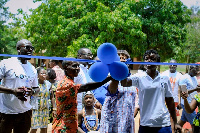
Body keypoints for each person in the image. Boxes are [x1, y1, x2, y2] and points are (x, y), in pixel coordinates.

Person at [120, 49, 181, 133]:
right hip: (146, 124)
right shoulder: (139, 77)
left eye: (152, 58)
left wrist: (175, 122)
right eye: (146, 58)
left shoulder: (164, 78)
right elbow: (124, 83)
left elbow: (170, 101)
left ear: (158, 62)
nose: (149, 60)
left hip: (163, 124)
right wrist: (123, 67)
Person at [52, 60, 112, 133]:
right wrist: (108, 78)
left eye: (78, 66)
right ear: (66, 67)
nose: (77, 68)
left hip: (69, 125)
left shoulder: (69, 82)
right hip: (63, 127)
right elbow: (86, 87)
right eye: (74, 66)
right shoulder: (66, 84)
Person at [0, 39, 39, 133]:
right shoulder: (6, 63)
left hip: (25, 113)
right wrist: (13, 91)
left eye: (32, 48)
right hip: (7, 112)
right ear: (18, 49)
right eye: (27, 48)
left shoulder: (32, 69)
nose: (30, 50)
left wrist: (32, 92)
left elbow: (36, 88)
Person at [100, 50, 137, 133]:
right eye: (119, 58)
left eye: (124, 58)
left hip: (127, 121)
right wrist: (118, 71)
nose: (122, 60)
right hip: (112, 122)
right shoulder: (110, 77)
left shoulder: (133, 79)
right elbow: (112, 90)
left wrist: (129, 118)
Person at [162, 59, 183, 132]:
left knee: (173, 119)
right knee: (165, 118)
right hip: (164, 100)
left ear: (176, 66)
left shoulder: (179, 75)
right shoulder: (164, 74)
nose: (172, 66)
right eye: (171, 64)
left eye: (174, 65)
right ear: (168, 65)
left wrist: (181, 102)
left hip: (175, 100)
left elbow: (181, 90)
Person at [177, 65, 200, 132]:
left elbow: (195, 88)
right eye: (196, 70)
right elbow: (183, 91)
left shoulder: (194, 77)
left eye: (198, 70)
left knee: (182, 121)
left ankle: (174, 131)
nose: (197, 72)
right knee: (194, 124)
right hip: (187, 104)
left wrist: (197, 88)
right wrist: (195, 89)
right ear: (190, 69)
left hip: (192, 103)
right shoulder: (184, 78)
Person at [30, 67, 52, 133]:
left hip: (45, 108)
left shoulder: (48, 84)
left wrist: (54, 108)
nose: (44, 75)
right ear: (37, 75)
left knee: (44, 128)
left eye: (45, 73)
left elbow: (52, 96)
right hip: (35, 108)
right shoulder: (34, 84)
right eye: (42, 73)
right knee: (34, 128)